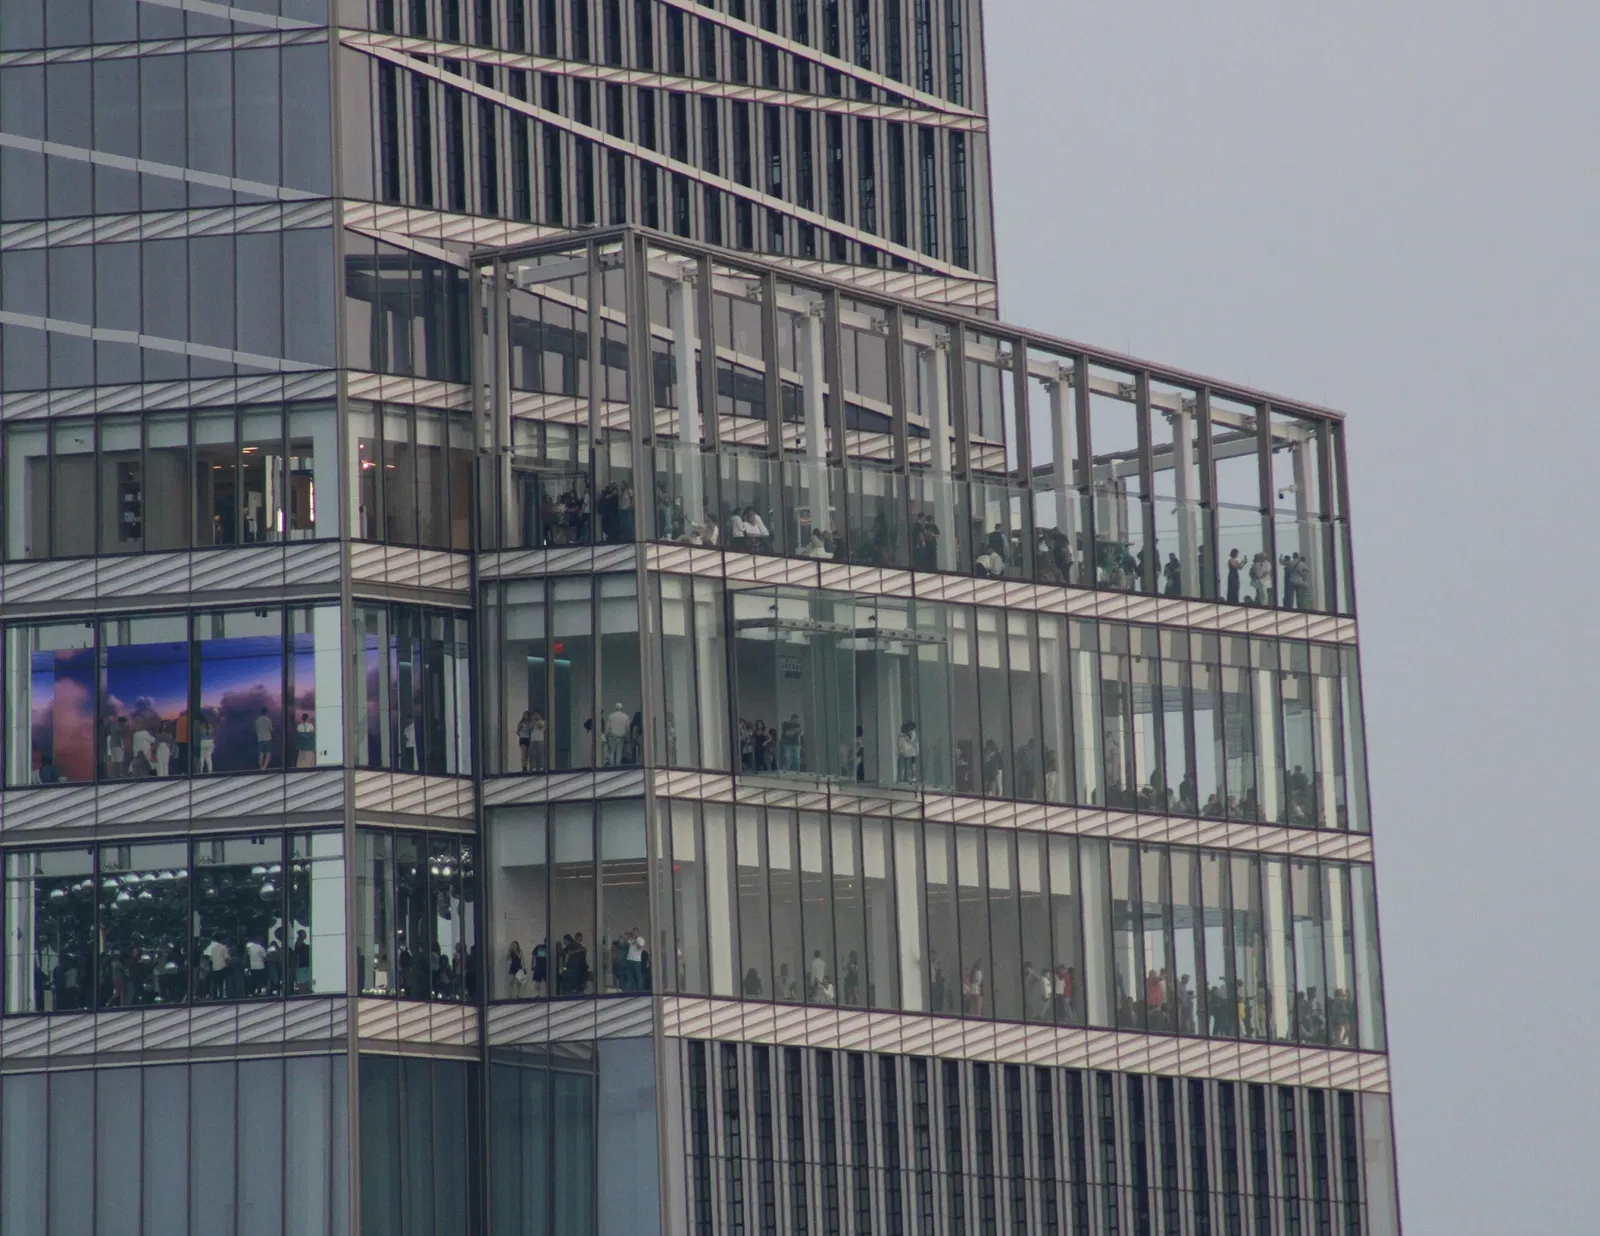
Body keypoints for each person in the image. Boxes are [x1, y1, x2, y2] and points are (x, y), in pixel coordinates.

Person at [604, 702, 629, 766]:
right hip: (621, 737)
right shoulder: (625, 717)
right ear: (622, 708)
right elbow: (627, 728)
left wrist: (606, 735)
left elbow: (607, 728)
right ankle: (618, 765)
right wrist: (627, 737)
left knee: (611, 751)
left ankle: (611, 765)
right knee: (619, 752)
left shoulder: (611, 716)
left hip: (612, 736)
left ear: (615, 708)